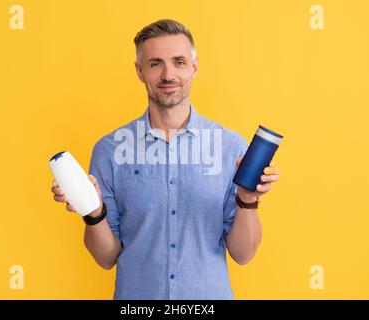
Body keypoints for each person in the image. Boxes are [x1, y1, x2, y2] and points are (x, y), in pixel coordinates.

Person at [51, 19, 280, 300]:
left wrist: (247, 199)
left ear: (194, 67)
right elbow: (106, 258)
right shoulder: (109, 151)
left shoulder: (230, 148)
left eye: (179, 62)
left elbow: (243, 254)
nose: (168, 74)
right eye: (156, 63)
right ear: (139, 71)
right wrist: (93, 211)